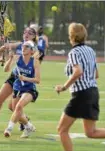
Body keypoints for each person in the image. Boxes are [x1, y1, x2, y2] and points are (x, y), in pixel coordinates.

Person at [55, 22, 105, 151]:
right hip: (93, 92)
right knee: (91, 132)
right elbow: (96, 74)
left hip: (81, 94)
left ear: (71, 36)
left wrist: (64, 87)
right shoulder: (90, 51)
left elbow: (78, 71)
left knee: (62, 129)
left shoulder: (74, 52)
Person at [0, 27, 39, 130]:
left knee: (13, 107)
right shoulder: (20, 44)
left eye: (30, 33)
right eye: (25, 32)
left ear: (34, 36)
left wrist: (15, 56)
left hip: (24, 80)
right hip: (14, 77)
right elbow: (8, 45)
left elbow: (33, 59)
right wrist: (5, 40)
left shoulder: (34, 49)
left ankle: (25, 122)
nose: (26, 34)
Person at [4, 40, 40, 138]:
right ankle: (28, 126)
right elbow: (6, 69)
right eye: (23, 46)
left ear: (32, 51)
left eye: (27, 47)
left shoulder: (35, 62)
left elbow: (37, 80)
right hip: (17, 88)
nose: (24, 48)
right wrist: (10, 59)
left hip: (29, 89)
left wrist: (25, 78)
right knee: (15, 110)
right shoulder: (17, 58)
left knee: (19, 107)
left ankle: (9, 129)